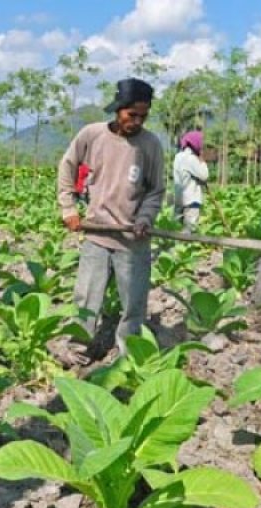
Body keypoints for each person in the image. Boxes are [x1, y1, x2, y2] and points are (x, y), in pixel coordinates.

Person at [57, 77, 165, 358]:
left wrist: (145, 218)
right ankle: (76, 349)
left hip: (132, 239)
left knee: (134, 305)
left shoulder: (151, 145)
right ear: (118, 109)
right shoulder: (92, 135)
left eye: (144, 115)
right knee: (86, 299)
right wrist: (68, 208)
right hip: (97, 234)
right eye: (132, 114)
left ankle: (129, 356)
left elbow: (155, 190)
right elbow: (67, 167)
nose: (138, 121)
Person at [173, 130, 209, 234]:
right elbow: (204, 176)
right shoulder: (191, 159)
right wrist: (202, 160)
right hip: (191, 200)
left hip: (179, 199)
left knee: (176, 228)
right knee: (189, 231)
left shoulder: (178, 156)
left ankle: (176, 249)